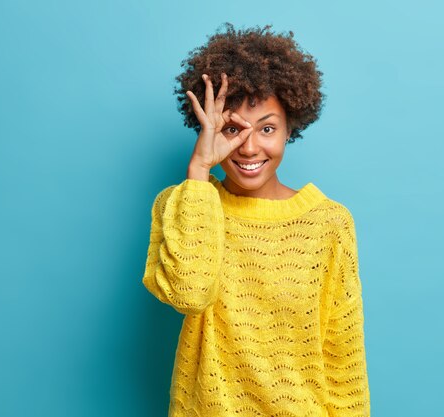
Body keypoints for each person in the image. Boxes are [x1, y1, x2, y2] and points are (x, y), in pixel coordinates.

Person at [142, 23, 370, 416]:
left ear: (289, 129)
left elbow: (342, 353)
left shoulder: (328, 222)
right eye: (232, 129)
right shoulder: (184, 204)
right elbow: (189, 294)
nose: (249, 147)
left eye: (267, 128)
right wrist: (199, 170)